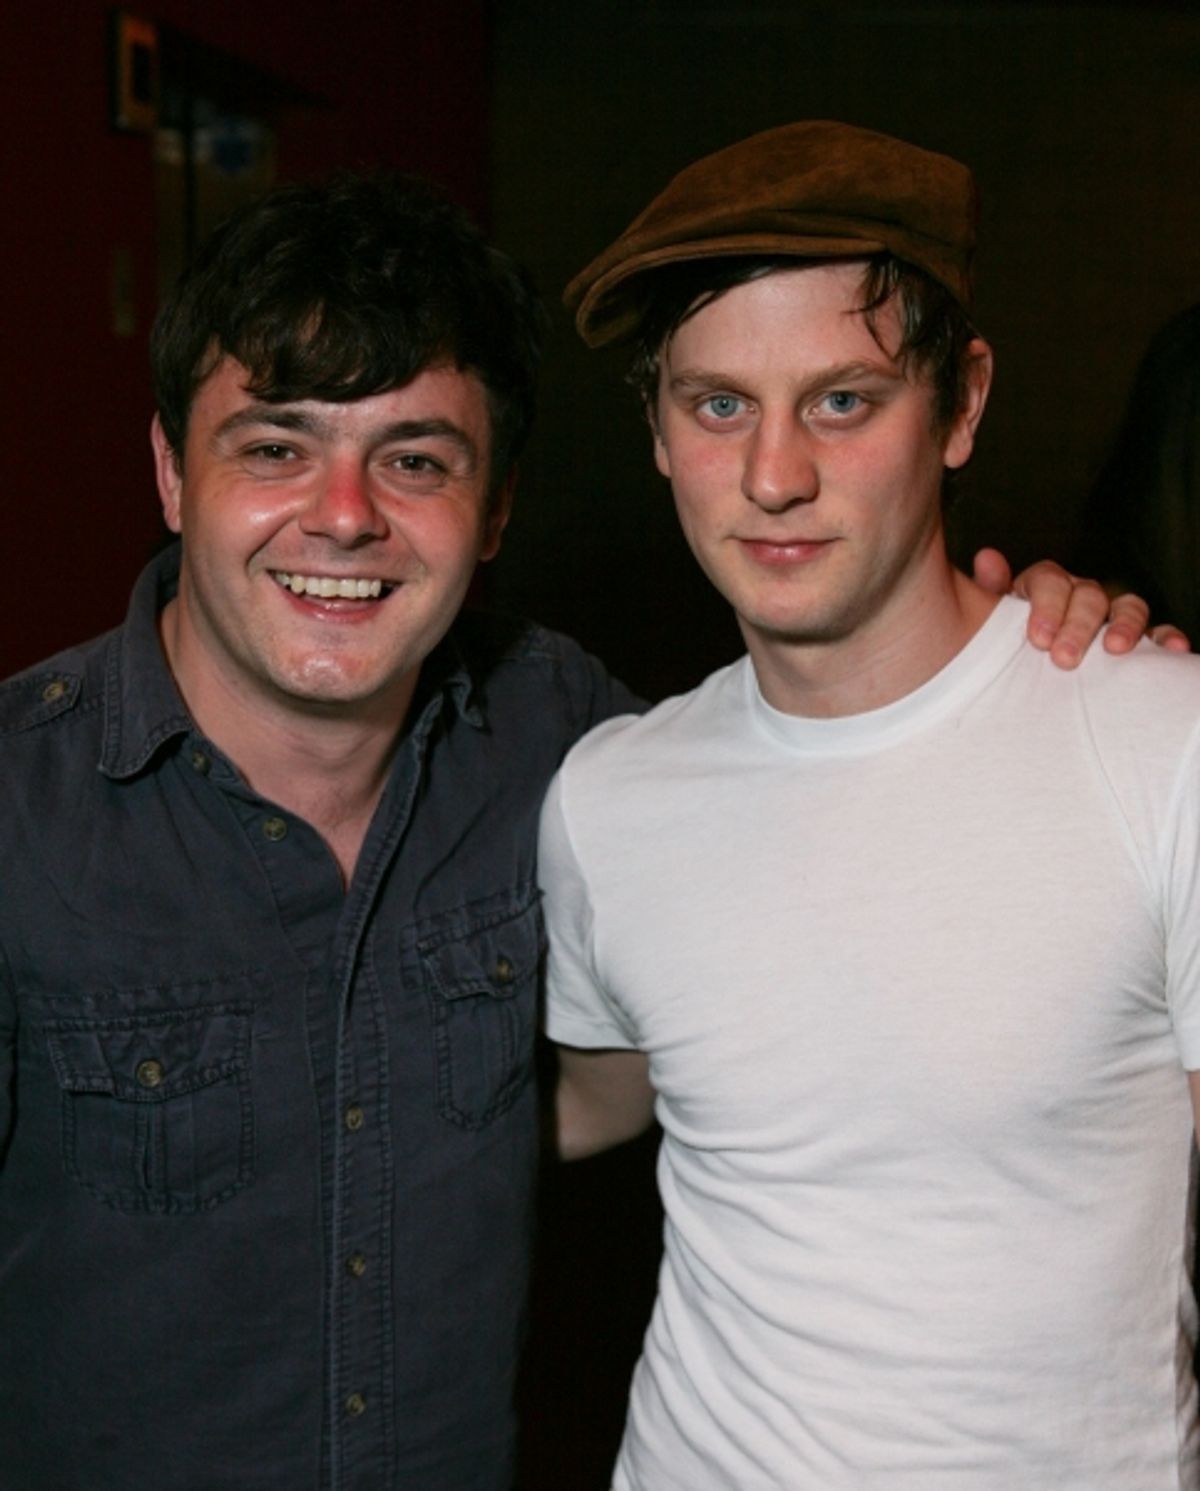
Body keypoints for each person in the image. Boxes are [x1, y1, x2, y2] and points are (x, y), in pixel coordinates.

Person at [0, 167, 1157, 1491]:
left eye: (417, 460)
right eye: (273, 447)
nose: (341, 514)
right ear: (168, 469)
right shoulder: (20, 817)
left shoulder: (572, 745)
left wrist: (1050, 658)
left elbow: (841, 814)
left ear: (495, 511)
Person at [541, 121, 1200, 1490]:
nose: (774, 475)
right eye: (718, 404)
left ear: (961, 405)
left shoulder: (1159, 744)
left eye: (842, 400)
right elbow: (578, 1106)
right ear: (657, 431)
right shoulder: (611, 793)